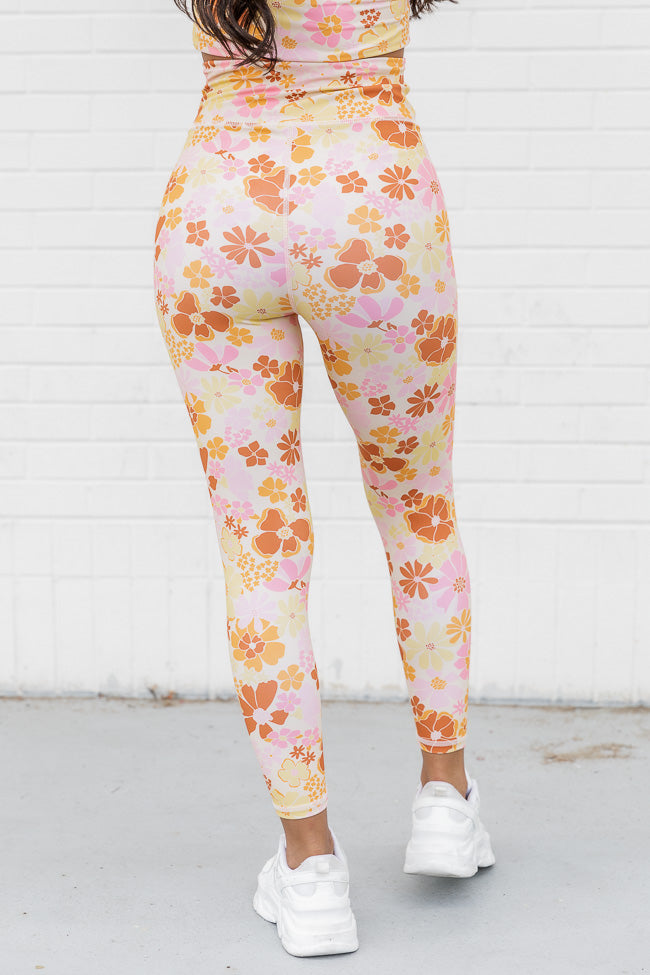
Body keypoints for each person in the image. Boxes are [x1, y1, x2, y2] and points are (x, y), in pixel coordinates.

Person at [153, 0, 495, 956]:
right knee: (418, 507)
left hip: (216, 209)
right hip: (371, 204)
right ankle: (445, 797)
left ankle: (309, 868)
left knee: (259, 551)